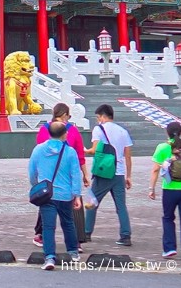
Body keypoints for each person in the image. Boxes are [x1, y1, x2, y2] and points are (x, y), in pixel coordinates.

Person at [32, 103, 90, 247]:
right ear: (64, 115)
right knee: (72, 211)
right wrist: (85, 175)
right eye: (68, 116)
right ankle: (76, 242)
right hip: (67, 178)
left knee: (46, 206)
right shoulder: (73, 131)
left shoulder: (43, 130)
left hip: (47, 179)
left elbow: (38, 156)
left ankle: (42, 237)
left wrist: (36, 182)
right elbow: (80, 156)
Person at [29, 120, 84, 270]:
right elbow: (75, 175)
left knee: (48, 226)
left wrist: (37, 186)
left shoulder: (38, 150)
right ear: (64, 135)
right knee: (68, 223)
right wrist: (77, 195)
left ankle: (49, 258)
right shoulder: (70, 152)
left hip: (46, 195)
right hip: (65, 195)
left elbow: (32, 173)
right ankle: (73, 253)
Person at [149, 121, 181, 266]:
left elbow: (155, 170)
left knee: (168, 218)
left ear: (167, 132)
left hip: (169, 190)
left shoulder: (162, 148)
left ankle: (169, 248)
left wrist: (151, 189)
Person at [84, 103, 133, 246]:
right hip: (119, 173)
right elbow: (128, 156)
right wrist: (128, 176)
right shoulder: (123, 132)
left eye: (98, 117)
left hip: (104, 173)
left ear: (103, 117)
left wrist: (84, 150)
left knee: (91, 202)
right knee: (121, 206)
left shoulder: (99, 129)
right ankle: (125, 236)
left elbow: (94, 150)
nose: (98, 120)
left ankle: (86, 232)